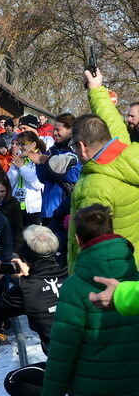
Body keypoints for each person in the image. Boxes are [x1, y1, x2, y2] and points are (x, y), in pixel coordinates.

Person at [39, 204, 139, 396]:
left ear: (78, 239)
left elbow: (63, 349)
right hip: (132, 384)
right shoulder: (134, 277)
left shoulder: (75, 286)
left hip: (90, 389)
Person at [69, 69, 139, 267]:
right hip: (131, 269)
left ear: (82, 147)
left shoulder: (94, 187)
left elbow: (91, 250)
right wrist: (96, 89)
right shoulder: (126, 153)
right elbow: (113, 121)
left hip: (102, 283)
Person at [0, 224, 64, 352]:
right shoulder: (71, 273)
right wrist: (30, 276)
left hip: (59, 359)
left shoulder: (26, 288)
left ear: (25, 255)